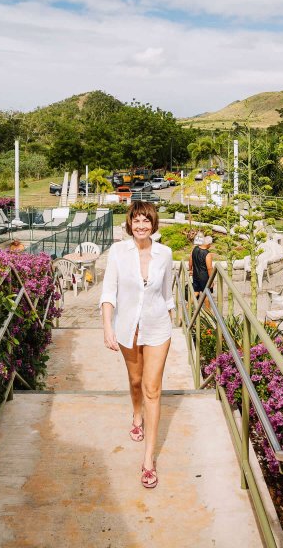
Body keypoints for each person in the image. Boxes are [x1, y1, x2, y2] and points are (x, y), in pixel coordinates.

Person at [99, 200, 175, 489]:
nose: (141, 225)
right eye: (136, 220)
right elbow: (108, 292)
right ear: (129, 223)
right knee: (135, 380)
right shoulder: (118, 252)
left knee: (152, 389)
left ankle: (148, 460)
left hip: (158, 328)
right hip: (127, 328)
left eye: (146, 220)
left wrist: (173, 319)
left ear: (153, 224)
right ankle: (136, 413)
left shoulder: (165, 254)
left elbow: (167, 293)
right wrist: (108, 327)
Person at [190, 233, 215, 313]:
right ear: (208, 244)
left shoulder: (195, 249)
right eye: (210, 244)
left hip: (196, 275)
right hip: (204, 277)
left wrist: (190, 269)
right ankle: (208, 314)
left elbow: (190, 260)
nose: (210, 246)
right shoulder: (207, 254)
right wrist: (211, 280)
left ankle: (187, 308)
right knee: (207, 295)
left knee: (196, 292)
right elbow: (209, 268)